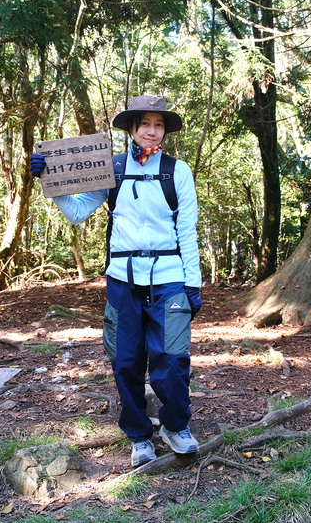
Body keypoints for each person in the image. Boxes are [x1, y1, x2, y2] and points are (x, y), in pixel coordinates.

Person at [30, 94, 202, 467]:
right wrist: (49, 180)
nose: (151, 132)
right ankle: (139, 436)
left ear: (165, 131)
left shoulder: (178, 171)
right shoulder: (113, 168)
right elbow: (77, 212)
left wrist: (193, 284)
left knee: (172, 359)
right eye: (144, 124)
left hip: (170, 277)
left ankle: (176, 427)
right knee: (125, 361)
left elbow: (187, 230)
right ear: (131, 129)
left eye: (158, 125)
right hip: (122, 280)